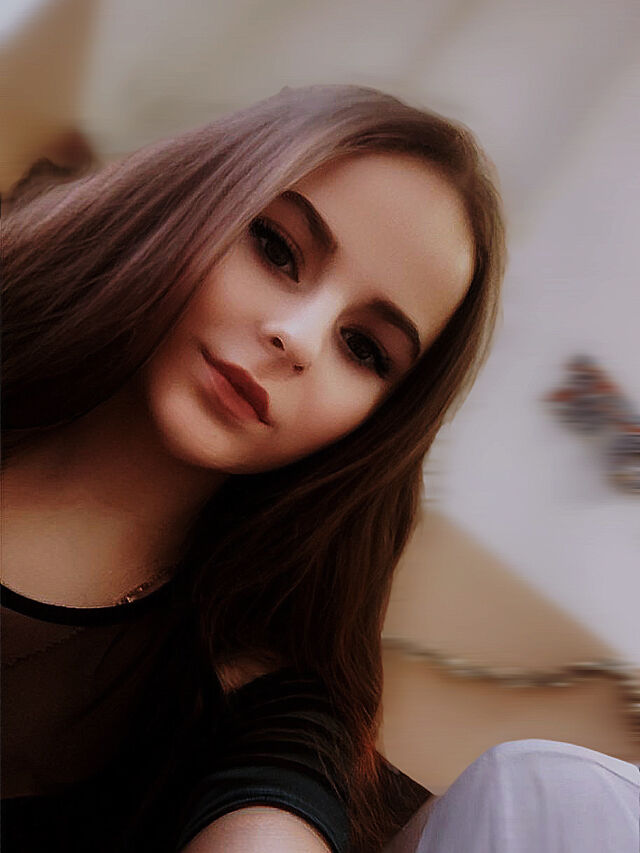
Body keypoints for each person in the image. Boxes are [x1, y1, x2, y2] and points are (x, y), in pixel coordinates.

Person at [2, 83, 506, 852]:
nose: (296, 337)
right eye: (277, 248)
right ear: (196, 198)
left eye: (364, 348)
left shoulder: (263, 699)